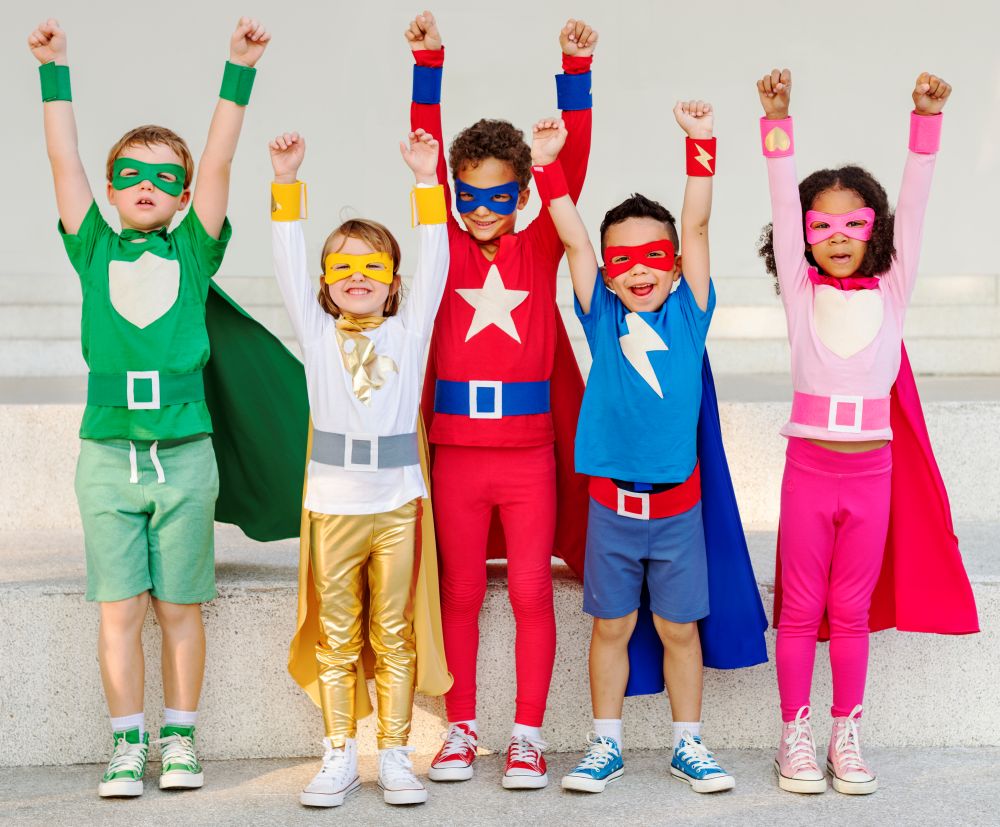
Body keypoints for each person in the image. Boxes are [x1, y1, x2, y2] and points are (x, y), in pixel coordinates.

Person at [28, 15, 269, 797]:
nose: (146, 185)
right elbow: (63, 157)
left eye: (165, 178)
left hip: (185, 456)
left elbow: (221, 157)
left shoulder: (193, 250)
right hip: (107, 457)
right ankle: (126, 744)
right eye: (131, 173)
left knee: (179, 607)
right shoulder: (93, 245)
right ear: (110, 187)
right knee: (120, 609)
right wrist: (54, 70)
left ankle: (181, 739)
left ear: (183, 195)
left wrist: (238, 69)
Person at [756, 67, 978, 795]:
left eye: (854, 224)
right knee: (799, 610)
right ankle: (794, 734)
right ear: (803, 237)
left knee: (850, 610)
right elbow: (781, 199)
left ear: (875, 231)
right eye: (821, 226)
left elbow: (916, 202)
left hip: (870, 473)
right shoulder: (800, 291)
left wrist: (925, 121)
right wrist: (777, 120)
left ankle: (844, 733)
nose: (837, 237)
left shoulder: (893, 286)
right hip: (809, 469)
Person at [404, 10, 595, 789]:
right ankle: (460, 729)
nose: (483, 208)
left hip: (528, 456)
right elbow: (424, 151)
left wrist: (575, 75)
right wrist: (427, 65)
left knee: (527, 591)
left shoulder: (540, 242)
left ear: (522, 194)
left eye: (501, 195)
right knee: (458, 591)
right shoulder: (441, 244)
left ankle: (527, 736)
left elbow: (570, 170)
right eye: (469, 195)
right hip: (456, 454)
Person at [270, 129, 453, 807]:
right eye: (343, 267)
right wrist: (286, 184)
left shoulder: (410, 330)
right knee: (337, 633)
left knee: (395, 631)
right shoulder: (317, 334)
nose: (357, 276)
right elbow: (287, 260)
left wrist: (426, 182)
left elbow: (436, 255)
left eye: (372, 266)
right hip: (333, 504)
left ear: (394, 283)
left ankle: (396, 753)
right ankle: (340, 750)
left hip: (397, 502)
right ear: (325, 283)